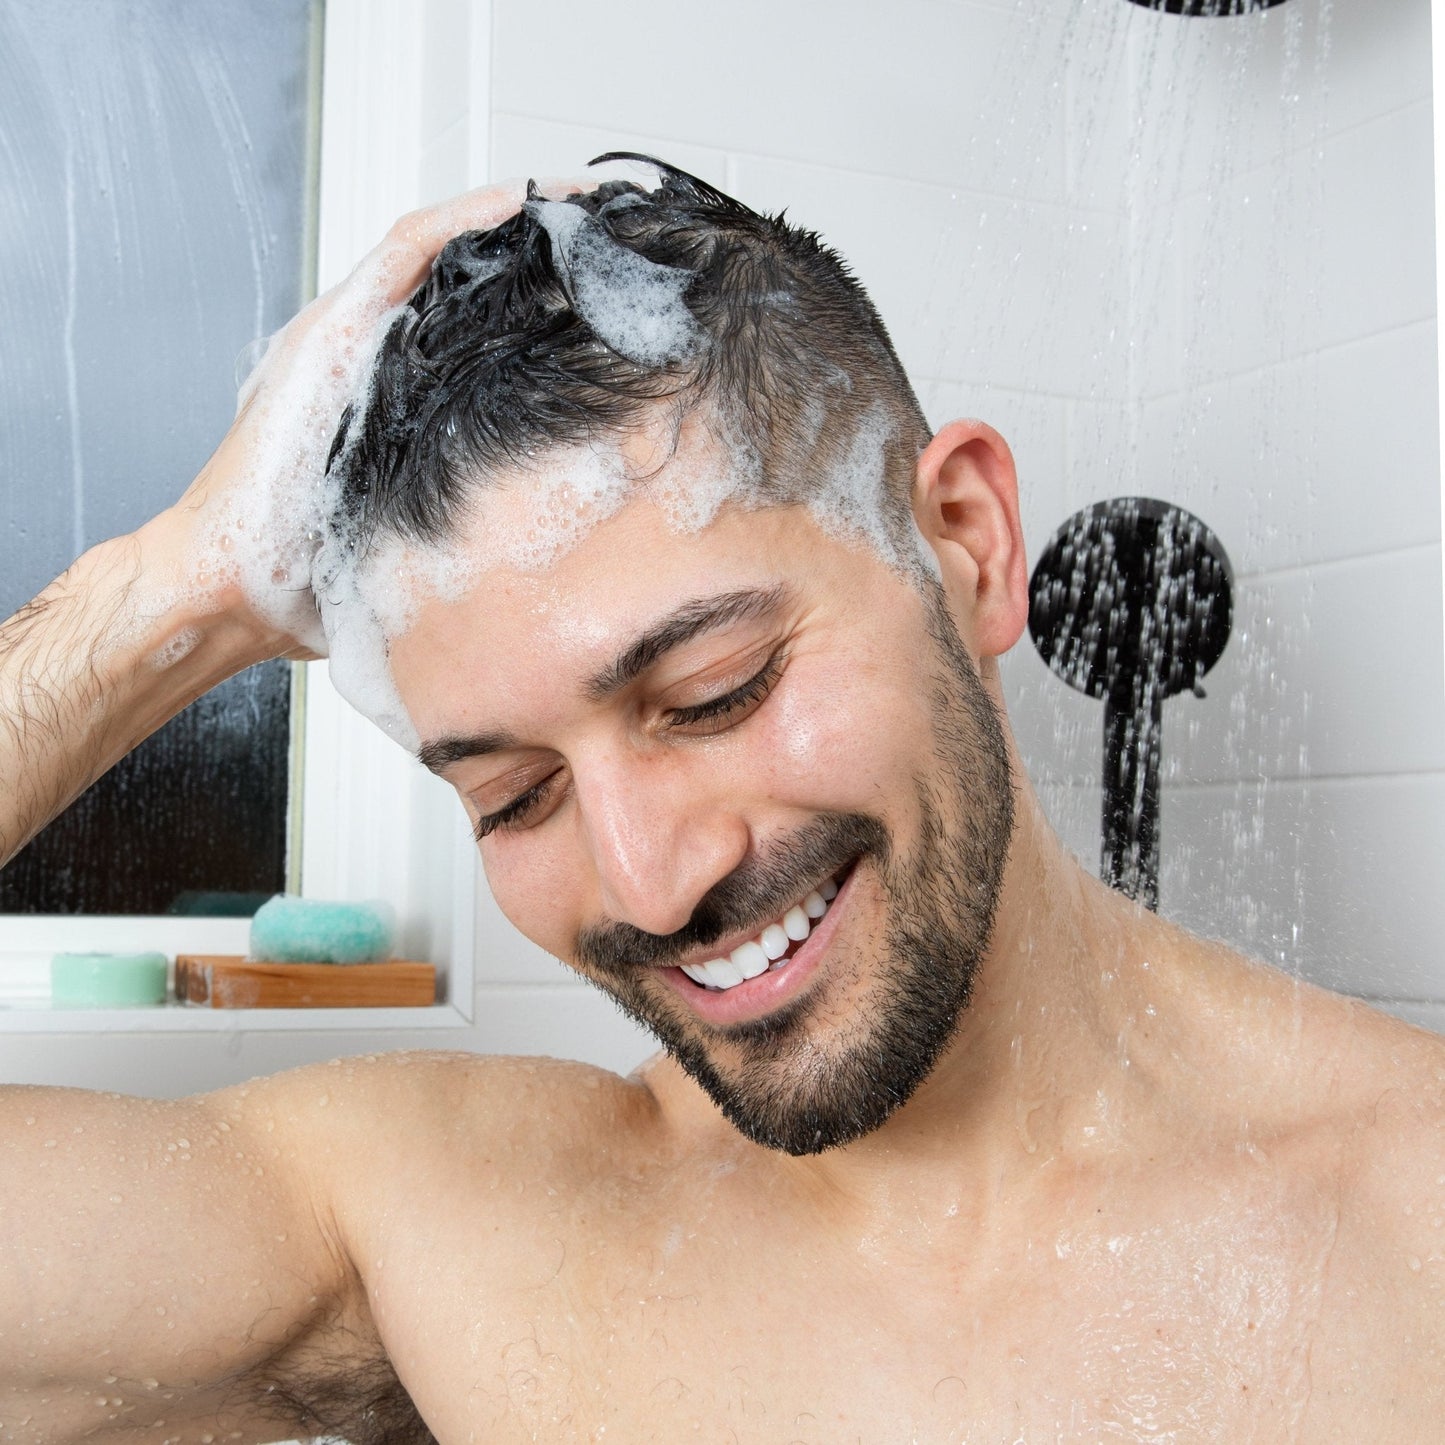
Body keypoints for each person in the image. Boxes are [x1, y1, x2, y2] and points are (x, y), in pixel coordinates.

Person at [1, 159, 1441, 1443]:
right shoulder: (445, 1231)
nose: (645, 880)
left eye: (716, 691)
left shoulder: (1412, 1220)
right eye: (512, 796)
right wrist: (175, 590)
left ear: (968, 543)